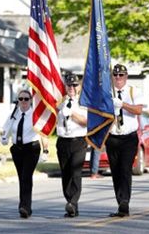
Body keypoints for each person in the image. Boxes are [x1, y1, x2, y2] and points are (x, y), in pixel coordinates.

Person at [106, 63, 144, 217]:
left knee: (125, 169)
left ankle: (125, 202)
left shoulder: (134, 91)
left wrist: (122, 104)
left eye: (121, 75)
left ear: (126, 77)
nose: (118, 78)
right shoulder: (108, 93)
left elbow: (138, 110)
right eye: (115, 75)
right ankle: (120, 202)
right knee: (115, 171)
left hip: (129, 137)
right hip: (113, 136)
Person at [0, 89, 40, 218]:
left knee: (26, 177)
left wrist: (45, 149)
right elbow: (5, 129)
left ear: (30, 101)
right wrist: (4, 138)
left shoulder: (35, 115)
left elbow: (43, 130)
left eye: (26, 99)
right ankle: (24, 205)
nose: (23, 102)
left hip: (31, 148)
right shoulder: (14, 114)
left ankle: (25, 207)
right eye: (20, 99)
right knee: (21, 177)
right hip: (17, 149)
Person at [56, 74, 88, 217]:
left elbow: (86, 121)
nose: (72, 88)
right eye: (69, 85)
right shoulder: (60, 101)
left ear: (79, 86)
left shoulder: (84, 102)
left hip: (79, 141)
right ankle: (70, 202)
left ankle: (73, 202)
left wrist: (72, 114)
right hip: (63, 141)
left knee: (75, 172)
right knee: (66, 173)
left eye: (75, 85)